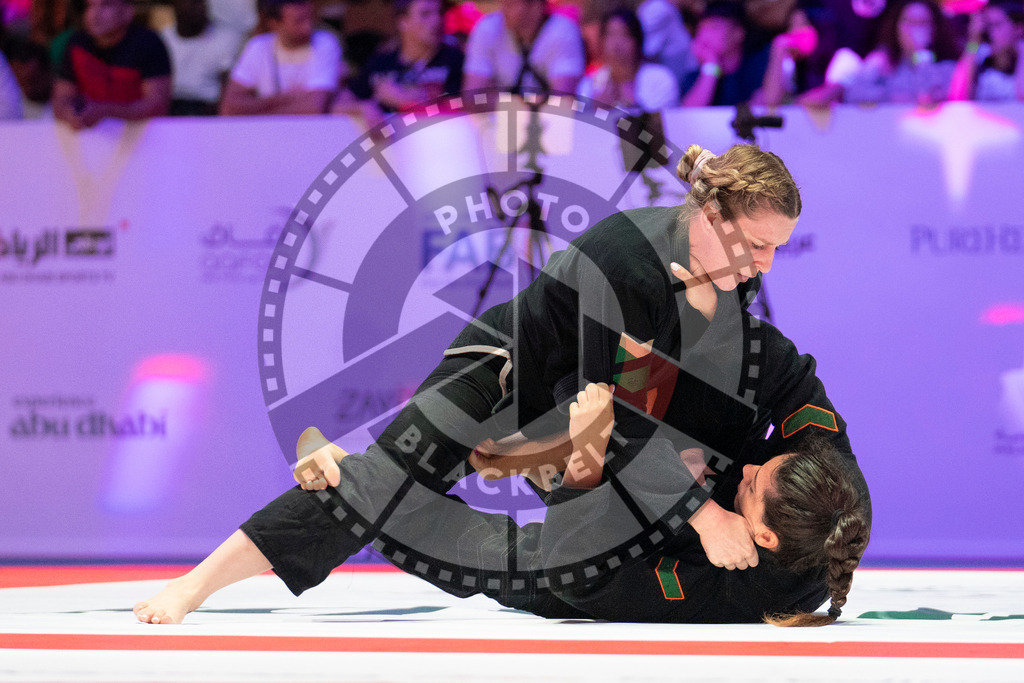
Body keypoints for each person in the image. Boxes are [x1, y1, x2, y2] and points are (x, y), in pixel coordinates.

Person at [133, 143, 871, 625]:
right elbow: (605, 415)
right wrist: (708, 518)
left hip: (615, 420)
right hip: (515, 368)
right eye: (761, 245)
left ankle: (351, 472)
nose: (768, 265)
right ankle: (202, 579)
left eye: (780, 248)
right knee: (390, 478)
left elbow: (776, 384)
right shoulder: (622, 258)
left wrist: (822, 493)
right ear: (711, 217)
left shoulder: (726, 273)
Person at [52, 0, 171, 129]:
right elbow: (61, 99)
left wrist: (106, 111)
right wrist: (70, 114)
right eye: (90, 6)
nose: (94, 14)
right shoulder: (77, 44)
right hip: (90, 139)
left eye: (106, 5)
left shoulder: (148, 43)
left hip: (143, 140)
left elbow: (157, 106)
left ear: (127, 12)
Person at [342, 0, 463, 120]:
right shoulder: (381, 63)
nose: (437, 21)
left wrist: (403, 100)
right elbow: (338, 105)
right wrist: (363, 107)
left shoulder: (454, 60)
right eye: (425, 14)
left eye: (440, 13)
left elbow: (469, 107)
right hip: (386, 138)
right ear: (403, 21)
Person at [219, 0, 342, 115]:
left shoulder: (325, 42)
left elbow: (313, 107)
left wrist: (255, 106)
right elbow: (229, 107)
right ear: (274, 23)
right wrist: (294, 98)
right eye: (299, 21)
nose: (307, 27)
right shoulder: (258, 46)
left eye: (310, 18)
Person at [462, 0, 586, 95]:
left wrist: (498, 97)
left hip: (551, 124)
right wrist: (534, 104)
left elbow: (562, 98)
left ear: (535, 6)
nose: (503, 10)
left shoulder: (564, 31)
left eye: (511, 4)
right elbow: (473, 96)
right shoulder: (488, 28)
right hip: (498, 123)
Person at [576, 7, 680, 113]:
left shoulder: (660, 79)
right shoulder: (588, 86)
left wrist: (634, 106)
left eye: (624, 35)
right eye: (610, 35)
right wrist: (595, 112)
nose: (616, 44)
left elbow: (662, 125)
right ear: (601, 42)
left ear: (637, 41)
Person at [679, 1, 771, 107]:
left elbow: (765, 105)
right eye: (702, 28)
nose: (705, 35)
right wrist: (711, 66)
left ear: (738, 33)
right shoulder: (698, 74)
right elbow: (689, 114)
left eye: (714, 27)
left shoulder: (759, 66)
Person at [160, 0, 241, 116]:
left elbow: (229, 87)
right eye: (190, 3)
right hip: (169, 108)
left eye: (199, 2)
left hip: (207, 109)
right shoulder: (163, 39)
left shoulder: (226, 38)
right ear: (175, 6)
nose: (197, 8)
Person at [949, 1, 1024, 102]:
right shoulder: (981, 54)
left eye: (997, 25)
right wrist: (974, 41)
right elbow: (957, 95)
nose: (991, 33)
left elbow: (1022, 98)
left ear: (1018, 28)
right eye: (988, 26)